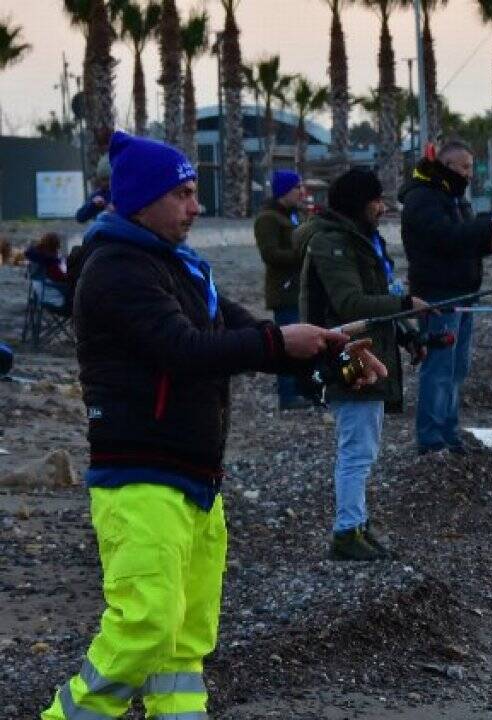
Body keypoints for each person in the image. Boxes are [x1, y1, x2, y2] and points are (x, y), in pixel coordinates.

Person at [40, 130, 384, 720]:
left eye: (195, 192)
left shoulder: (179, 266)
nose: (195, 206)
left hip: (197, 480)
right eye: (184, 194)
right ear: (142, 200)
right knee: (145, 623)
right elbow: (187, 349)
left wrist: (331, 352)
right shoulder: (116, 269)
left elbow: (244, 331)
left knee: (186, 639)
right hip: (139, 479)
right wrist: (280, 339)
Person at [299, 169, 426, 561]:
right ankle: (346, 532)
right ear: (359, 202)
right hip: (347, 359)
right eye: (376, 199)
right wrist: (406, 306)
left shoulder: (363, 240)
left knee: (363, 448)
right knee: (357, 450)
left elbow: (377, 296)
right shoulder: (331, 243)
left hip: (371, 352)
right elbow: (350, 305)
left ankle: (357, 523)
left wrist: (407, 335)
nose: (382, 206)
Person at [399, 139, 492, 456]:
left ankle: (449, 432)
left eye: (471, 168)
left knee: (457, 368)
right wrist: (486, 225)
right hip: (437, 294)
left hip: (463, 293)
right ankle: (430, 439)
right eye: (464, 167)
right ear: (446, 166)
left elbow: (463, 242)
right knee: (438, 367)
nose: (470, 174)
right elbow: (445, 238)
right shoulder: (424, 199)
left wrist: (491, 243)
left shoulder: (455, 198)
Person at [254, 170, 309, 410]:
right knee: (288, 342)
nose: (302, 192)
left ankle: (301, 390)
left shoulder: (295, 217)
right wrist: (303, 255)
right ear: (284, 191)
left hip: (299, 290)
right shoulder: (268, 219)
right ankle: (288, 395)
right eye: (297, 188)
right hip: (285, 292)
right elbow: (270, 254)